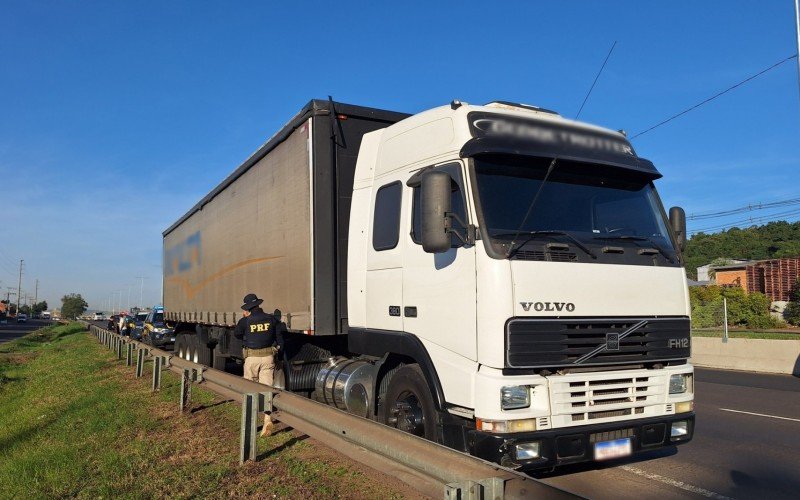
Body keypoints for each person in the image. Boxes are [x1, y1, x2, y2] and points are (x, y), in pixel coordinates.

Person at [234, 293, 284, 436]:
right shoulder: (271, 319)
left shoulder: (245, 321)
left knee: (250, 389)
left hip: (252, 358)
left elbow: (237, 334)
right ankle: (268, 418)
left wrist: (245, 323)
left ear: (248, 307)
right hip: (268, 357)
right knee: (266, 389)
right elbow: (279, 338)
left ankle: (251, 421)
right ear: (258, 305)